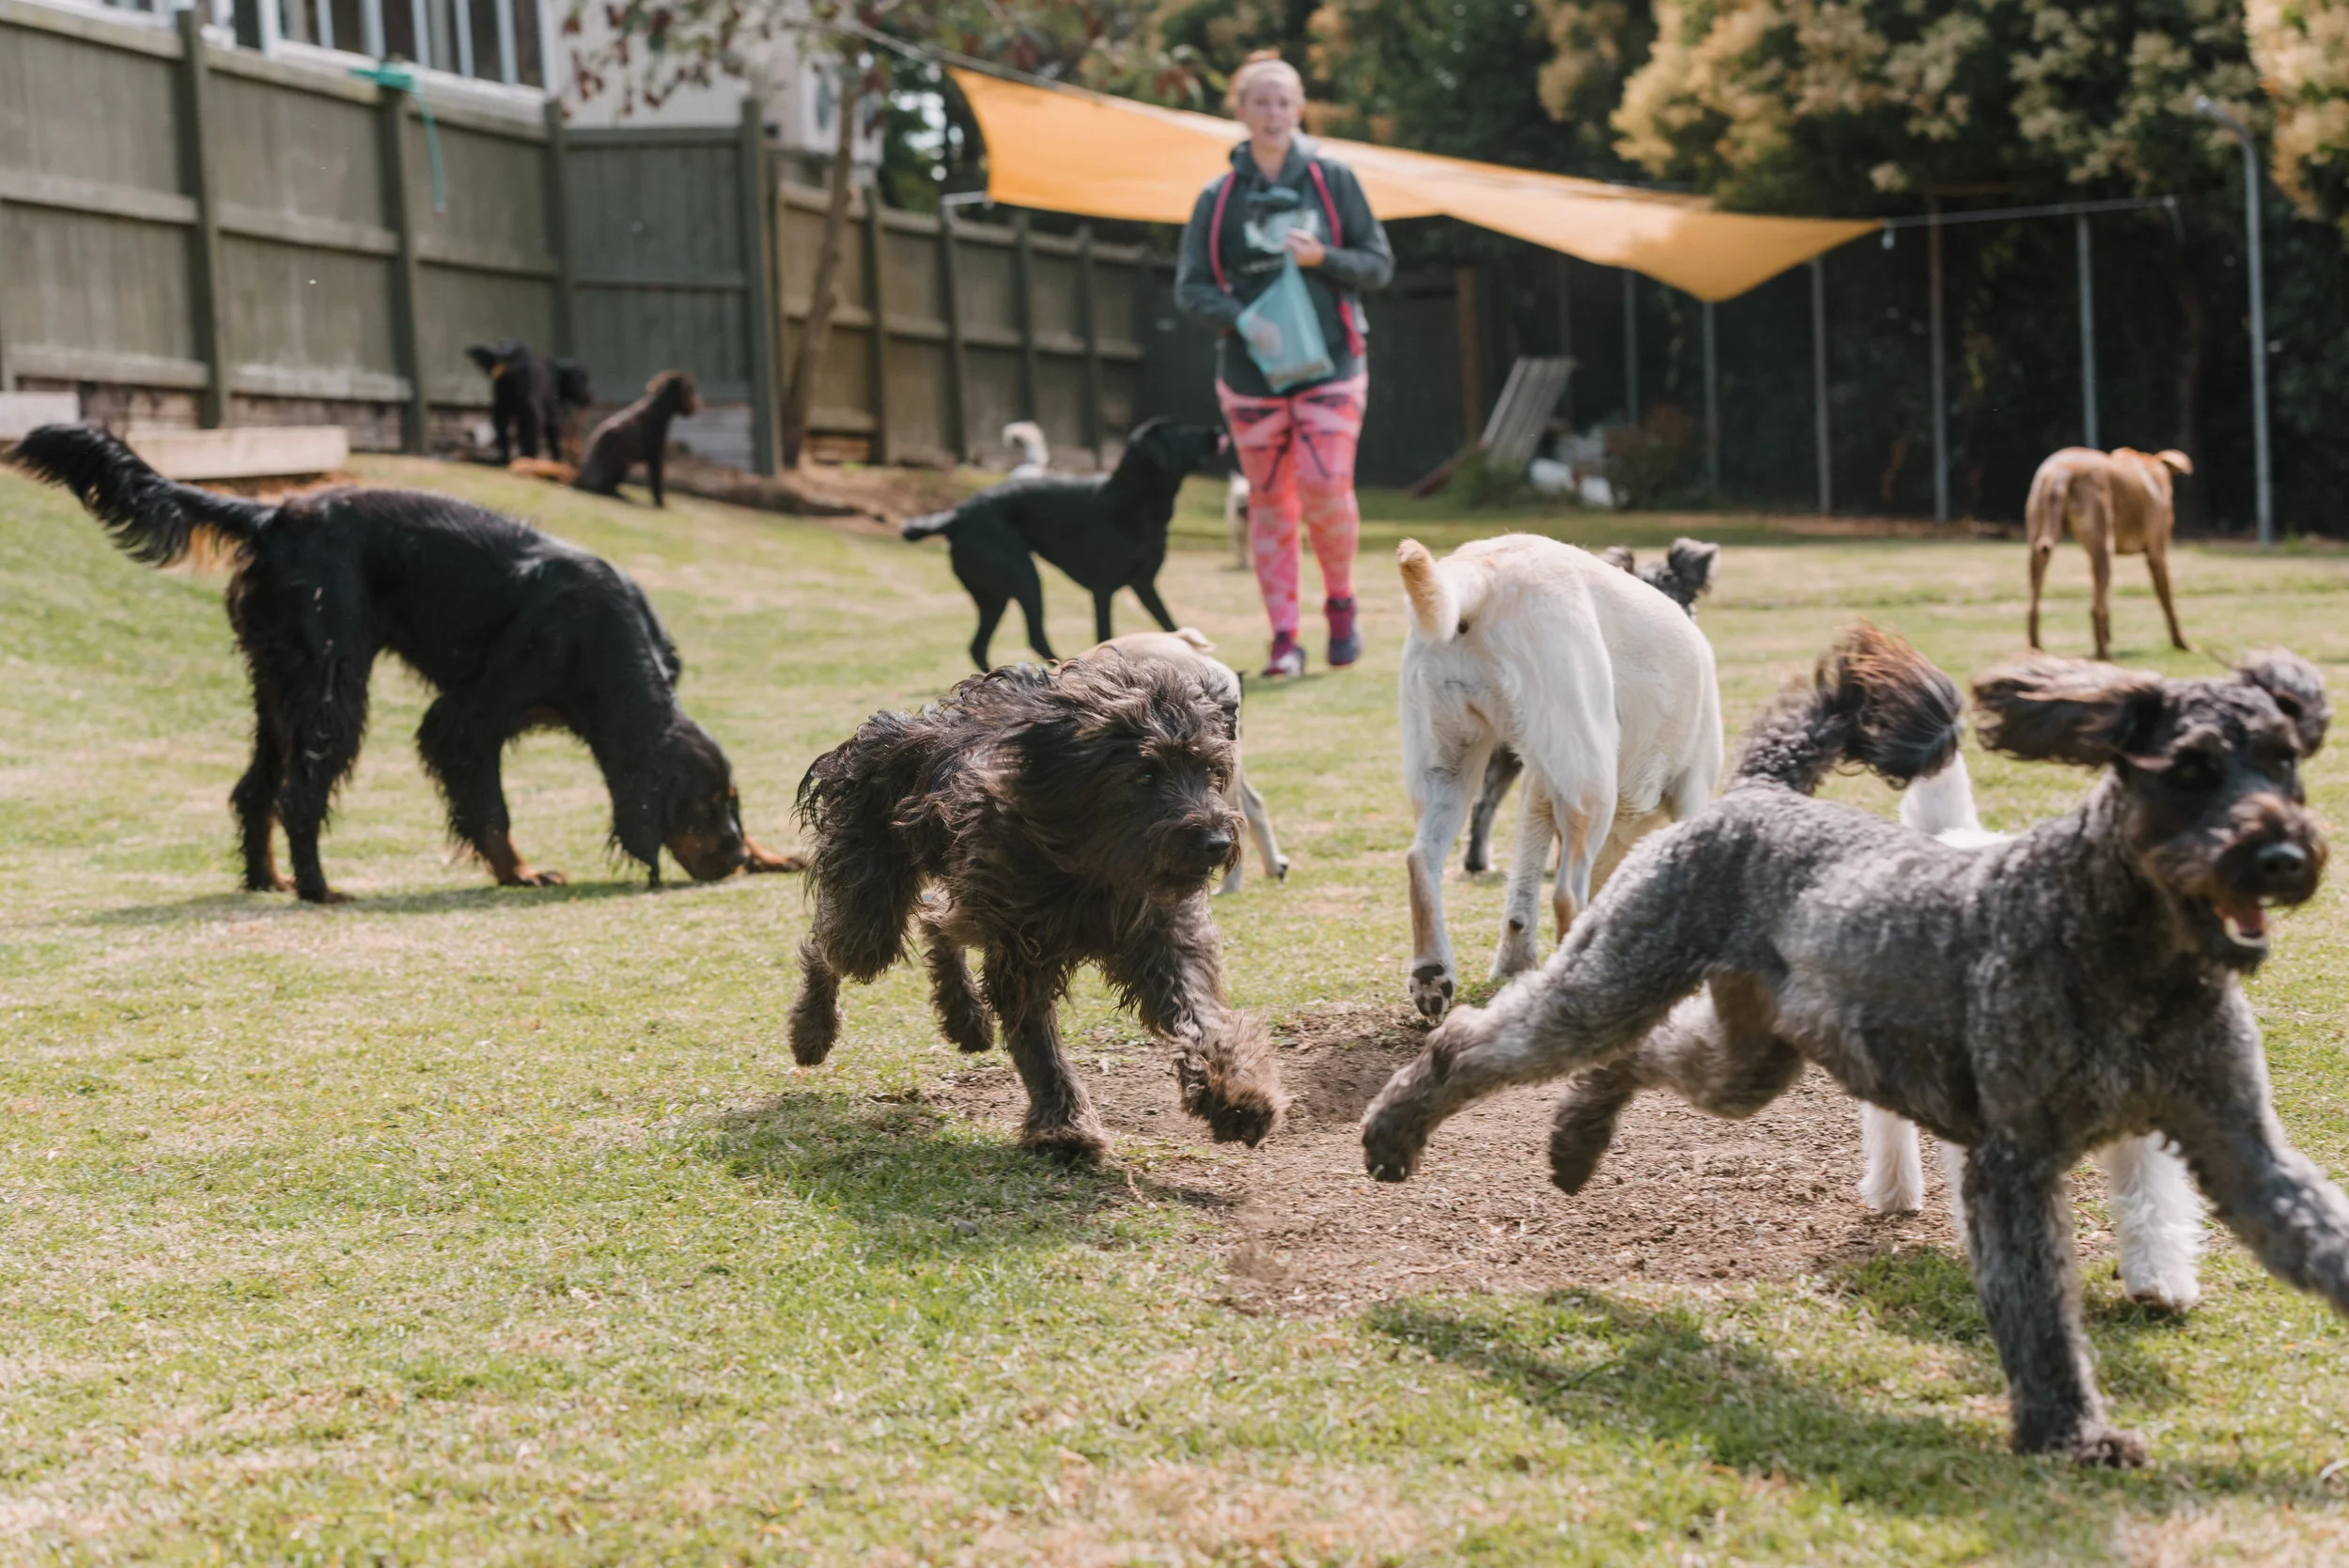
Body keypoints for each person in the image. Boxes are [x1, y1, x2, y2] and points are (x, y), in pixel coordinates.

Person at [1175, 52, 1393, 677]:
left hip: (1334, 362)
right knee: (1270, 501)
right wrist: (1243, 318)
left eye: (1283, 101)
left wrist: (1324, 256)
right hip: (1251, 374)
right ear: (1240, 111)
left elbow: (1378, 265)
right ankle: (1284, 639)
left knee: (1325, 483)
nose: (1272, 113)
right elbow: (1190, 287)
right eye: (1260, 101)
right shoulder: (1217, 199)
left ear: (1300, 109)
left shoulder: (1333, 179)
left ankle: (1342, 601)